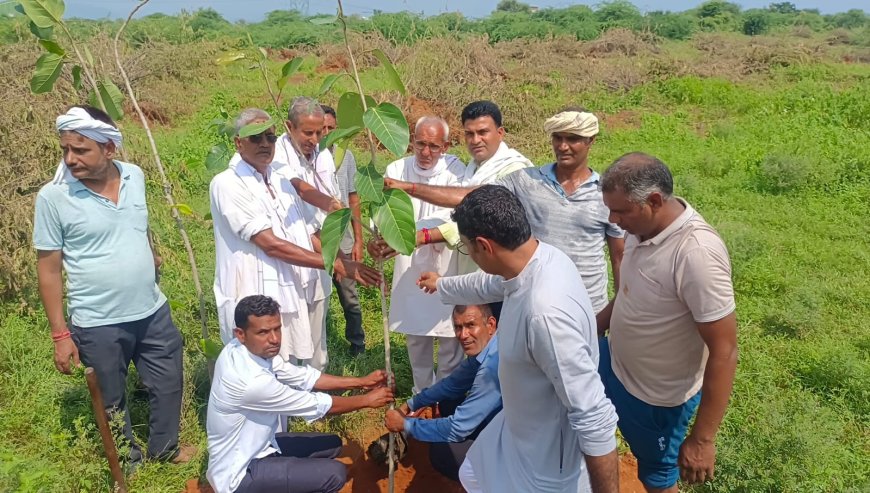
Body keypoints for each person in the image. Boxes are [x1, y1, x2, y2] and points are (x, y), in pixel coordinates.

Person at [417, 185, 619, 493]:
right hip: (517, 429)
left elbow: (593, 415)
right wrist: (443, 285)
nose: (469, 254)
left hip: (546, 462)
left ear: (483, 246)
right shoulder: (540, 258)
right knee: (473, 474)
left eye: (466, 247)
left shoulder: (545, 314)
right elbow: (493, 283)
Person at [33, 105, 191, 467]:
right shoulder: (54, 198)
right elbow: (49, 270)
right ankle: (127, 462)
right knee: (111, 397)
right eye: (65, 150)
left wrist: (150, 254)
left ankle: (165, 448)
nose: (71, 159)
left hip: (152, 309)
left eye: (81, 150)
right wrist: (60, 336)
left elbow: (140, 223)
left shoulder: (134, 175)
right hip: (97, 320)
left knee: (167, 382)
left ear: (109, 149)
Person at [381, 107, 623, 313]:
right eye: (557, 138)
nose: (563, 146)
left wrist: (611, 316)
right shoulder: (527, 181)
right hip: (532, 302)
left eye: (573, 139)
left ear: (591, 141)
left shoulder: (605, 193)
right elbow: (472, 196)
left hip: (587, 308)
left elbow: (619, 258)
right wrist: (408, 187)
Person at [596, 153, 738, 493]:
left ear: (655, 201)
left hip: (654, 399)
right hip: (613, 362)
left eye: (620, 211)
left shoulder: (696, 254)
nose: (613, 221)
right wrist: (591, 328)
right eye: (609, 209)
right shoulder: (639, 228)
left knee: (656, 477)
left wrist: (703, 440)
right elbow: (628, 294)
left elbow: (725, 350)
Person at [210, 108, 379, 368]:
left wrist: (340, 239)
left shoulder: (277, 174)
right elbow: (271, 245)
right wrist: (335, 264)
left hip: (287, 287)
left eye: (270, 137)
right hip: (253, 292)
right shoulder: (228, 184)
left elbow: (305, 218)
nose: (265, 144)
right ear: (238, 143)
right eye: (256, 138)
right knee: (259, 370)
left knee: (288, 363)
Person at [206, 295, 394, 493]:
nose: (274, 339)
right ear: (240, 334)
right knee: (334, 474)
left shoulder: (243, 349)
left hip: (262, 445)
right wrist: (366, 400)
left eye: (277, 328)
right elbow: (315, 405)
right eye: (263, 332)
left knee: (333, 444)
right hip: (240, 473)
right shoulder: (250, 382)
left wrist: (361, 381)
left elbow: (303, 377)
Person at [374, 100, 533, 274]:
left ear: (500, 132)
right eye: (469, 134)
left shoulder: (515, 169)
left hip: (501, 273)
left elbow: (474, 203)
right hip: (470, 268)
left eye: (482, 132)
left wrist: (410, 191)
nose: (475, 140)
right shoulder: (472, 169)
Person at [384, 116, 466, 395]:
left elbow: (455, 215)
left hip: (446, 262)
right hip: (408, 263)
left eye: (433, 146)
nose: (426, 152)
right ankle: (422, 391)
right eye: (420, 144)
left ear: (445, 146)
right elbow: (385, 213)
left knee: (448, 335)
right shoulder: (397, 169)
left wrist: (423, 233)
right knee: (416, 336)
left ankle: (444, 394)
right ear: (412, 141)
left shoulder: (456, 171)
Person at [384, 303, 502, 482]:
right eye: (458, 327)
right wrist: (412, 404)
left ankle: (495, 480)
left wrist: (406, 425)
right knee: (448, 400)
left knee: (442, 453)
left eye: (471, 325)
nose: (463, 335)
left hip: (524, 446)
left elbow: (457, 428)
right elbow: (451, 385)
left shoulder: (493, 366)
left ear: (491, 325)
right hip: (506, 423)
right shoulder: (489, 347)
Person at [272, 96, 340, 370]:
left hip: (320, 248)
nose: (315, 139)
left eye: (320, 132)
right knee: (288, 329)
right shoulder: (277, 154)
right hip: (292, 253)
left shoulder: (322, 154)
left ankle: (316, 392)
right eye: (307, 133)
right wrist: (332, 204)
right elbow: (299, 187)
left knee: (316, 327)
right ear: (289, 127)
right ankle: (290, 389)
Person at [321, 104, 365, 356]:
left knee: (349, 297)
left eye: (331, 128)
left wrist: (358, 240)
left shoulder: (345, 156)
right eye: (322, 128)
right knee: (318, 298)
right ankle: (318, 347)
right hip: (318, 242)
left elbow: (353, 197)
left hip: (345, 241)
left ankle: (357, 345)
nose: (327, 133)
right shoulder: (307, 159)